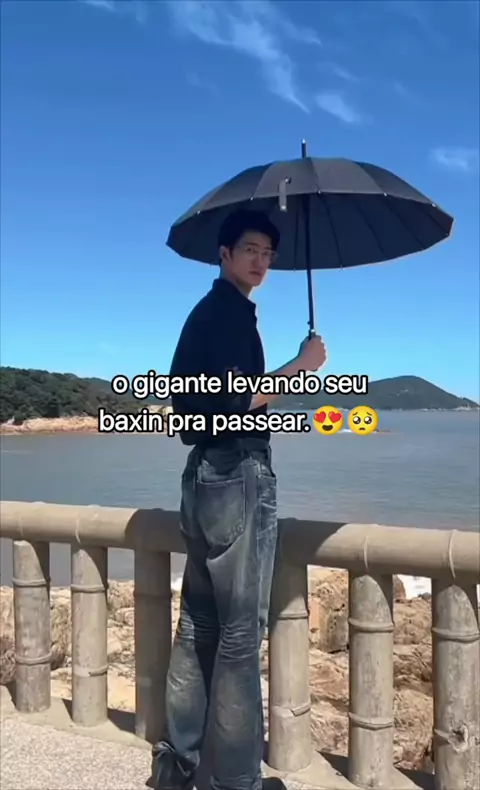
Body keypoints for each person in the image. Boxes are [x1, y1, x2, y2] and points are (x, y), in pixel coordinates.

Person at [152, 209, 327, 790]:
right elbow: (236, 402)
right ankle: (236, 781)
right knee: (238, 635)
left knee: (197, 623)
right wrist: (302, 366)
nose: (261, 261)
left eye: (268, 254)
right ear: (224, 254)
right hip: (236, 475)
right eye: (250, 249)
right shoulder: (226, 314)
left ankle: (176, 763)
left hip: (201, 475)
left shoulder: (205, 314)